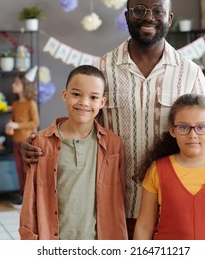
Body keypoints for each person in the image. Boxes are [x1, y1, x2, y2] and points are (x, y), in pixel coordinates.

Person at [21, 0, 205, 239]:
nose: (148, 17)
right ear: (127, 16)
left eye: (157, 10)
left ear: (169, 18)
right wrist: (41, 144)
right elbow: (82, 120)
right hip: (116, 204)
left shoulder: (190, 72)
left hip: (174, 206)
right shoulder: (102, 68)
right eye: (139, 10)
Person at [19, 65, 127, 240]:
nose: (84, 102)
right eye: (76, 94)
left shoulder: (114, 144)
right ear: (65, 95)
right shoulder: (41, 142)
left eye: (93, 97)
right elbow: (30, 199)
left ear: (102, 102)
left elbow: (118, 198)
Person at [133, 94, 205, 240]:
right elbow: (144, 226)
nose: (192, 134)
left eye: (201, 127)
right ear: (172, 131)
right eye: (183, 127)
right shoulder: (157, 170)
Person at [5, 73, 40, 209]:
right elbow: (15, 121)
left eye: (17, 83)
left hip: (28, 142)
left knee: (27, 170)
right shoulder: (16, 104)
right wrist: (10, 126)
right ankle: (23, 196)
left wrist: (17, 125)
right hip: (16, 141)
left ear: (25, 87)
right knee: (19, 170)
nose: (13, 85)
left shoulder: (31, 104)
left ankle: (30, 198)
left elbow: (35, 122)